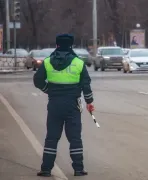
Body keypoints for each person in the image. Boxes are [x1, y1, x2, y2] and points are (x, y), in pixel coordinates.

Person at [33, 34, 94, 177]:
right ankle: (78, 169)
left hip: (54, 104)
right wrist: (89, 102)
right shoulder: (78, 63)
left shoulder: (47, 62)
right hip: (72, 105)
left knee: (52, 137)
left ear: (57, 45)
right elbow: (86, 84)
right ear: (71, 46)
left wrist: (48, 90)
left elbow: (38, 81)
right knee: (75, 138)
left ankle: (46, 169)